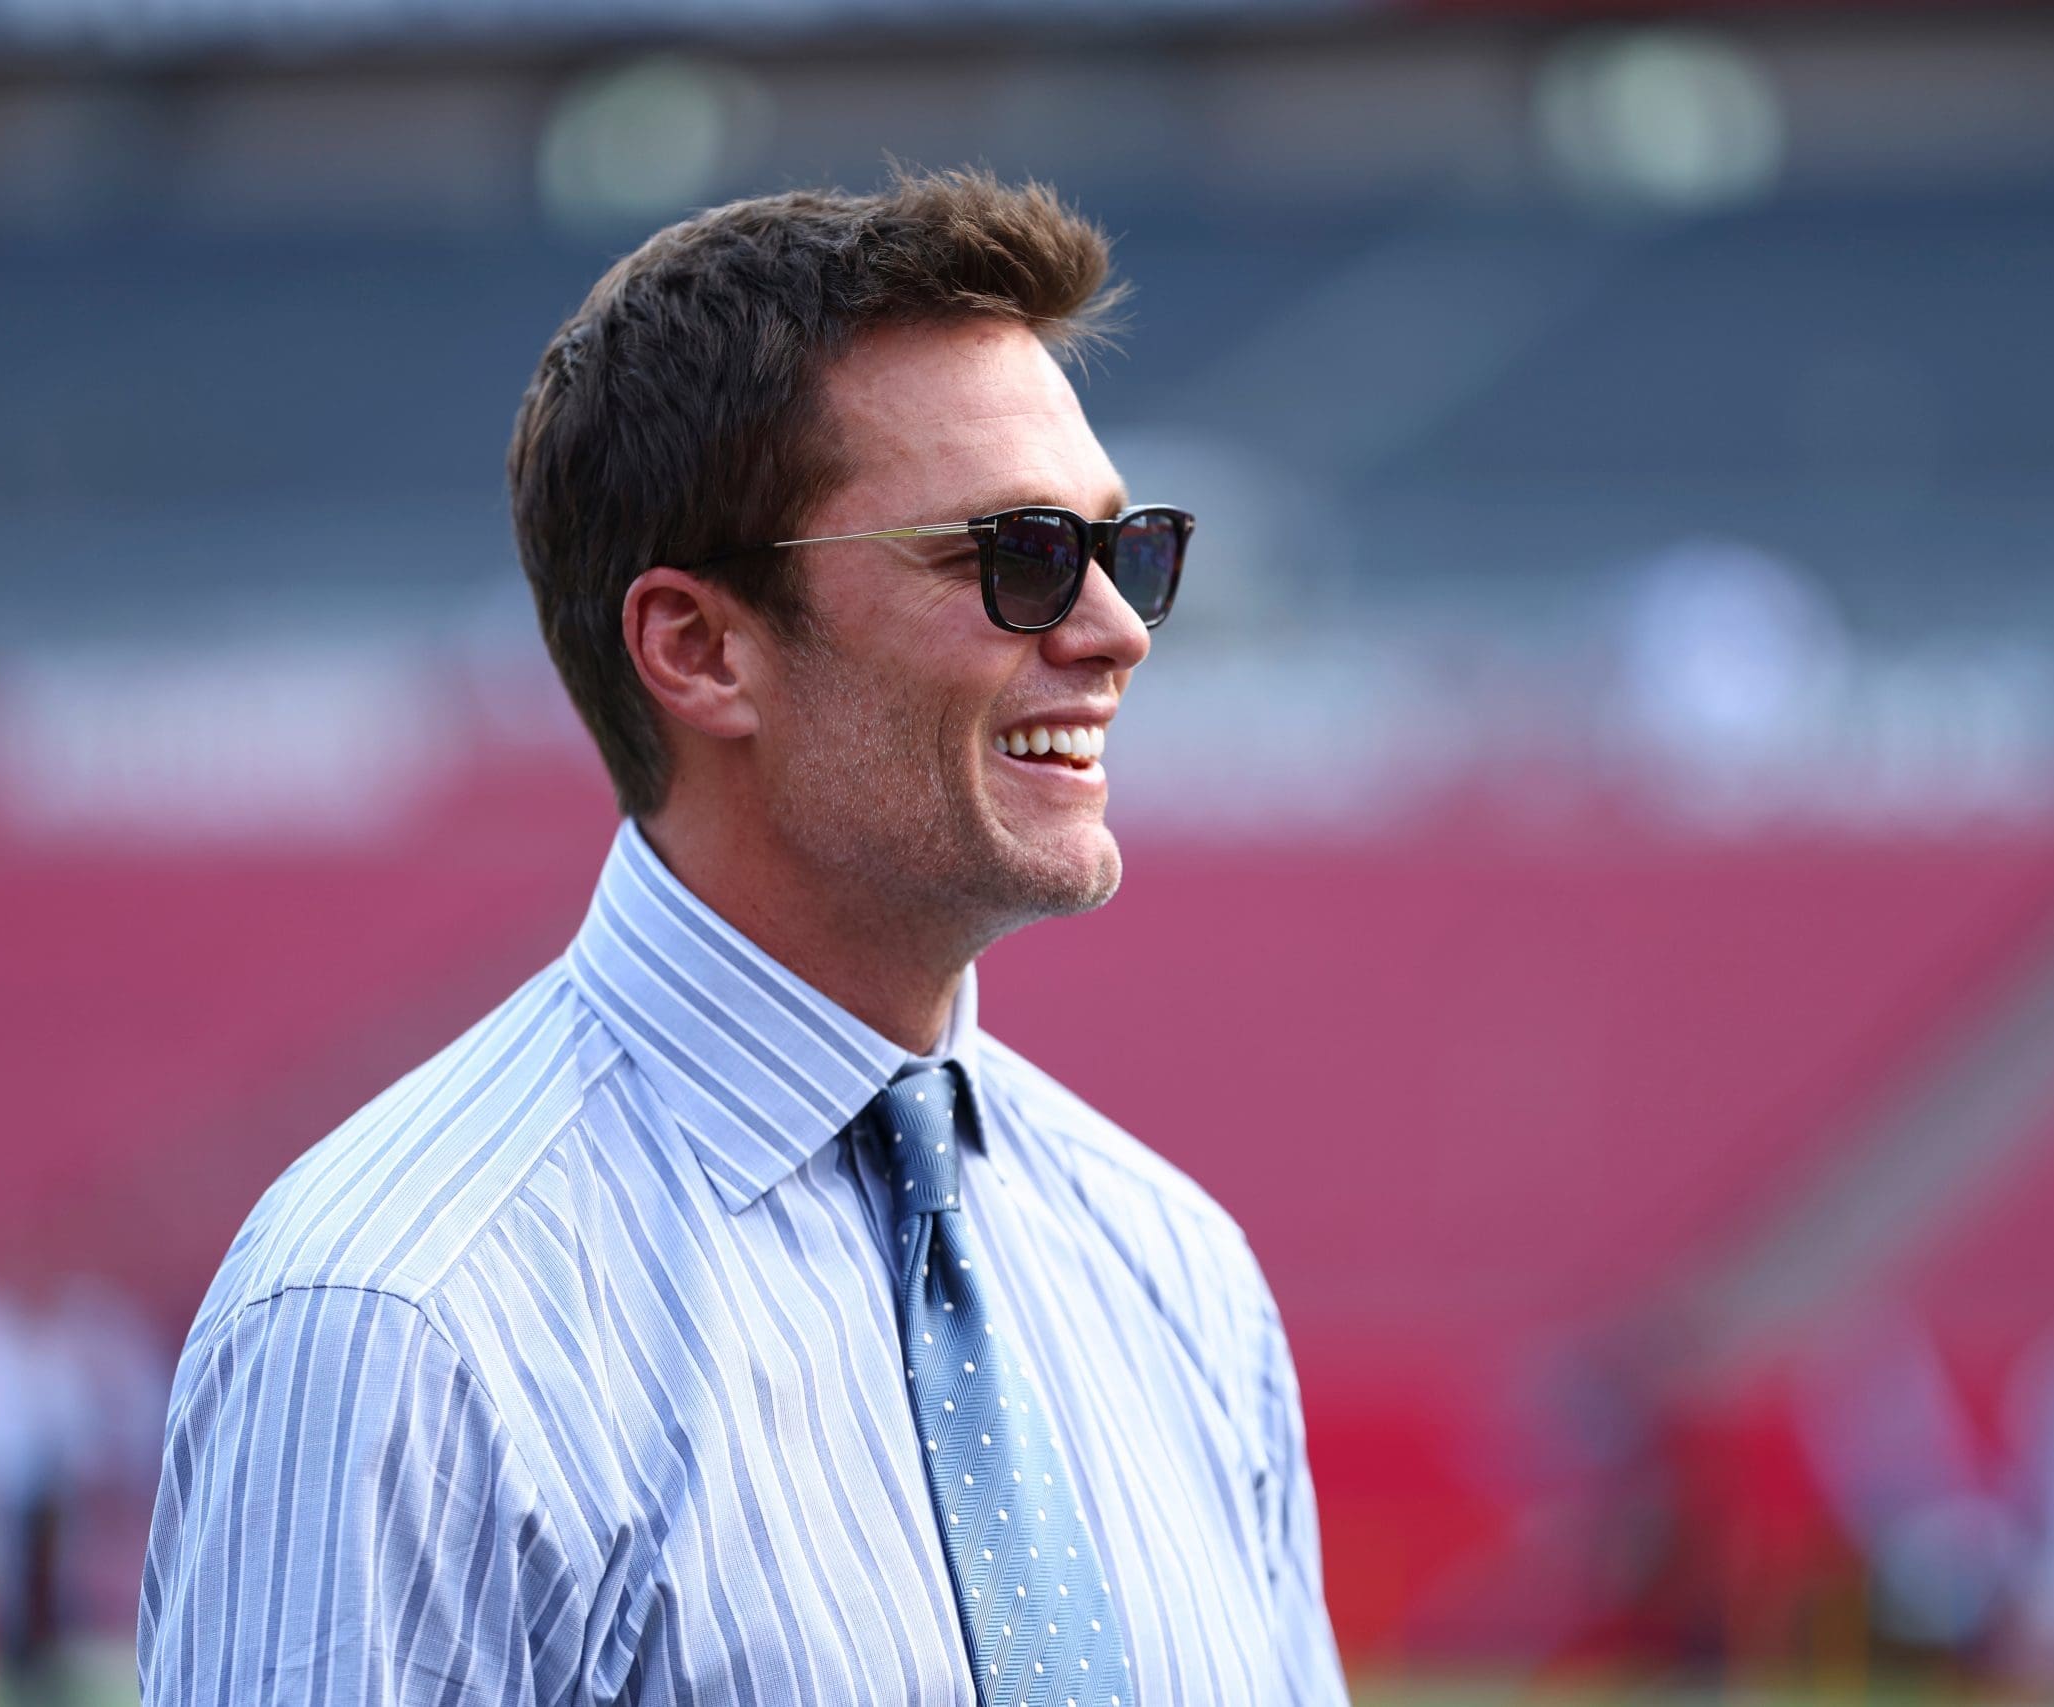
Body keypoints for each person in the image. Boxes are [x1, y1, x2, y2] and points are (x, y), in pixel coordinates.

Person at [137, 168, 1347, 1706]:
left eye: (1134, 551)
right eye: (1021, 556)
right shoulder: (401, 1322)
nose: (1115, 629)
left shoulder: (1176, 1271)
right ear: (701, 650)